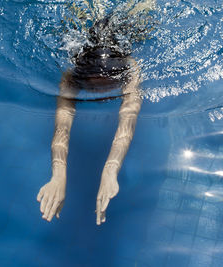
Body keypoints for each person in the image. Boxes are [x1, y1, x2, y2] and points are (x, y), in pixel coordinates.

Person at [37, 0, 156, 225]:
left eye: (106, 85)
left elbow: (127, 122)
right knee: (82, 16)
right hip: (89, 45)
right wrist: (58, 174)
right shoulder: (72, 77)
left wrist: (111, 170)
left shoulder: (130, 70)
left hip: (126, 32)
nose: (102, 95)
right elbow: (62, 125)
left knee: (143, 11)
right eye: (94, 87)